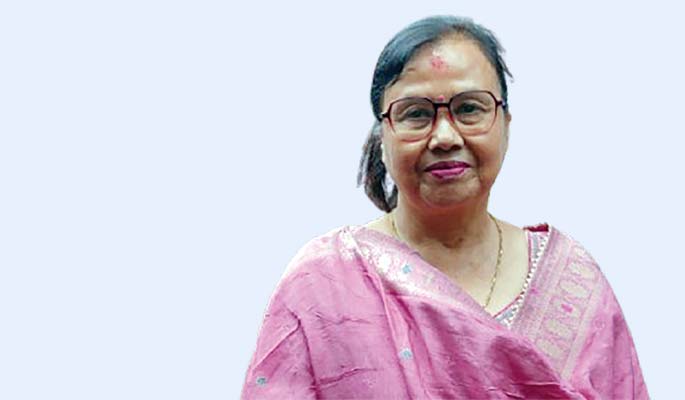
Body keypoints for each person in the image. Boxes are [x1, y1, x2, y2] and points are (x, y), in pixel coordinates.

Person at [241, 15, 648, 399]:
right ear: (382, 136)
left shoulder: (573, 279)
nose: (445, 136)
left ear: (506, 124)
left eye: (469, 108)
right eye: (416, 114)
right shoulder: (324, 282)